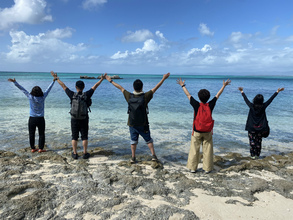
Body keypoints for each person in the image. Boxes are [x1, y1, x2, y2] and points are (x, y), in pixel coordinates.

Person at [106, 73, 170, 163]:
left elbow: (120, 87)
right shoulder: (145, 96)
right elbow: (156, 88)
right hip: (143, 123)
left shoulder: (129, 96)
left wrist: (110, 80)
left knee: (133, 141)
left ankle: (133, 157)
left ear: (133, 87)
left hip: (132, 124)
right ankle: (154, 156)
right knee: (149, 140)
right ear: (142, 87)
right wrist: (163, 79)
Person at [177, 78, 231, 174]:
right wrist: (224, 86)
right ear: (208, 97)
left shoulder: (196, 104)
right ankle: (207, 168)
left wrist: (182, 85)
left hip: (197, 130)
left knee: (194, 149)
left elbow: (188, 94)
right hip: (207, 131)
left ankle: (193, 168)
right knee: (208, 149)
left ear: (199, 97)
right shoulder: (210, 104)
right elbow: (218, 95)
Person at [51, 71, 107, 159]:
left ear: (76, 87)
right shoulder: (87, 94)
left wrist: (57, 78)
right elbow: (95, 86)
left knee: (74, 136)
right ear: (83, 87)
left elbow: (63, 86)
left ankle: (75, 153)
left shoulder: (72, 95)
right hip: (84, 118)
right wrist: (101, 79)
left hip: (74, 118)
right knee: (84, 136)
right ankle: (85, 153)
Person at [8, 75, 57, 153]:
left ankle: (33, 148)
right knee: (41, 134)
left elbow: (22, 89)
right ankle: (40, 148)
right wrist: (53, 81)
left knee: (31, 134)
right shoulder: (43, 97)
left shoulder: (30, 97)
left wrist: (15, 82)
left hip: (32, 118)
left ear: (32, 92)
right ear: (40, 91)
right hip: (41, 118)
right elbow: (48, 89)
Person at [238, 87, 285, 159]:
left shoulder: (251, 106)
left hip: (251, 128)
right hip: (260, 128)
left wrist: (242, 91)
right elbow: (270, 100)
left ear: (255, 99)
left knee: (252, 142)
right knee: (258, 142)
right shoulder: (263, 106)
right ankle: (257, 155)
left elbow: (246, 99)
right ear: (262, 100)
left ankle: (252, 156)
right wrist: (277, 91)